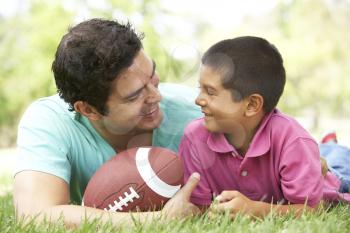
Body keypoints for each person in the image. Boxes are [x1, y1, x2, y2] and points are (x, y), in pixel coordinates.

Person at [13, 18, 202, 226]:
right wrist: (159, 219)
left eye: (152, 77)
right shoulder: (49, 120)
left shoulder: (197, 114)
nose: (156, 96)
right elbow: (35, 215)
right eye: (134, 95)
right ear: (88, 110)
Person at [179, 36, 350, 219]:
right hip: (304, 157)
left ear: (252, 104)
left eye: (210, 92)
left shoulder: (293, 140)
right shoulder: (195, 137)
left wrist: (254, 210)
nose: (198, 100)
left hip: (331, 178)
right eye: (200, 89)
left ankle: (330, 145)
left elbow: (312, 209)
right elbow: (199, 207)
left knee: (338, 162)